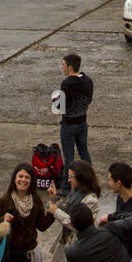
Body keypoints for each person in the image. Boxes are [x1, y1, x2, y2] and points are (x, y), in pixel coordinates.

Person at [0, 163, 55, 262]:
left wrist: (52, 205)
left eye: (27, 177)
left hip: (28, 254)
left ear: (31, 181)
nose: (23, 180)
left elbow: (42, 226)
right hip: (9, 256)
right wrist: (2, 220)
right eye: (20, 176)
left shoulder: (36, 200)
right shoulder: (4, 201)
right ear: (14, 179)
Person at [47, 159, 102, 262]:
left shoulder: (91, 201)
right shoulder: (76, 192)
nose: (68, 180)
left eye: (71, 176)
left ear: (81, 178)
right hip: (67, 243)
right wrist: (55, 199)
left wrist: (55, 211)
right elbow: (67, 209)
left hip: (80, 248)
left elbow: (78, 225)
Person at [65, 203, 132, 262]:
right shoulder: (111, 229)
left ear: (71, 225)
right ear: (93, 219)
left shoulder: (71, 252)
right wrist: (110, 217)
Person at [54, 53, 93, 193]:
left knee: (69, 157)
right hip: (82, 122)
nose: (62, 67)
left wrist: (56, 101)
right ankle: (89, 182)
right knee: (84, 152)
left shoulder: (66, 83)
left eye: (63, 65)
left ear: (70, 67)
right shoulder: (88, 80)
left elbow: (61, 106)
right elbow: (88, 99)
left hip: (69, 124)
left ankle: (66, 187)